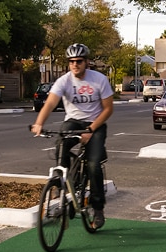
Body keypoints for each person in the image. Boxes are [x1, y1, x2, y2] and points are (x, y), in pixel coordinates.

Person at [30, 43, 113, 229]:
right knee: (61, 143)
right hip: (73, 122)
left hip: (95, 124)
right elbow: (50, 103)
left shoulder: (99, 80)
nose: (75, 65)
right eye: (71, 62)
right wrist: (39, 123)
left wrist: (91, 130)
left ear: (87, 62)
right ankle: (63, 184)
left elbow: (108, 109)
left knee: (93, 165)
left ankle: (98, 208)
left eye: (79, 61)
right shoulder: (64, 81)